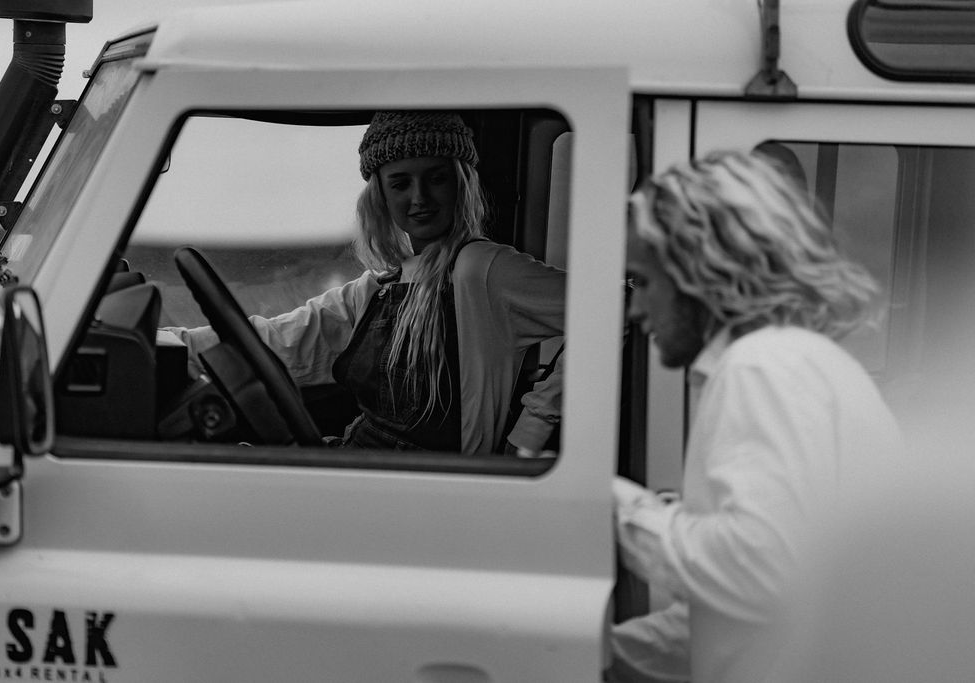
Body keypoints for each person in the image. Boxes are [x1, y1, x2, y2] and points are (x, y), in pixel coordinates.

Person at [608, 150, 904, 682]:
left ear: (699, 273)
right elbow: (742, 617)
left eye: (642, 282)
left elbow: (758, 568)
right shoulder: (798, 360)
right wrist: (606, 657)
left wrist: (621, 512)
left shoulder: (760, 367)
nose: (632, 310)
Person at [166, 111, 565, 454]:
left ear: (460, 183)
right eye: (401, 182)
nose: (419, 197)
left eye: (436, 178)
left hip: (428, 495)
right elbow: (276, 340)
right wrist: (165, 345)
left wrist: (532, 428)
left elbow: (615, 308)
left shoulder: (482, 268)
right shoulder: (380, 286)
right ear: (380, 196)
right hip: (362, 462)